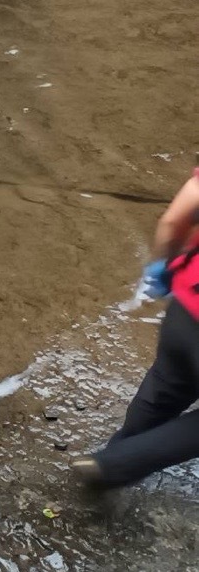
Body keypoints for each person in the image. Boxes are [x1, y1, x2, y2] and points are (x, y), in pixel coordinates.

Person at [73, 169, 199, 488]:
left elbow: (173, 221)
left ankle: (117, 451)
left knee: (165, 386)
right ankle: (113, 465)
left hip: (186, 306)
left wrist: (169, 265)